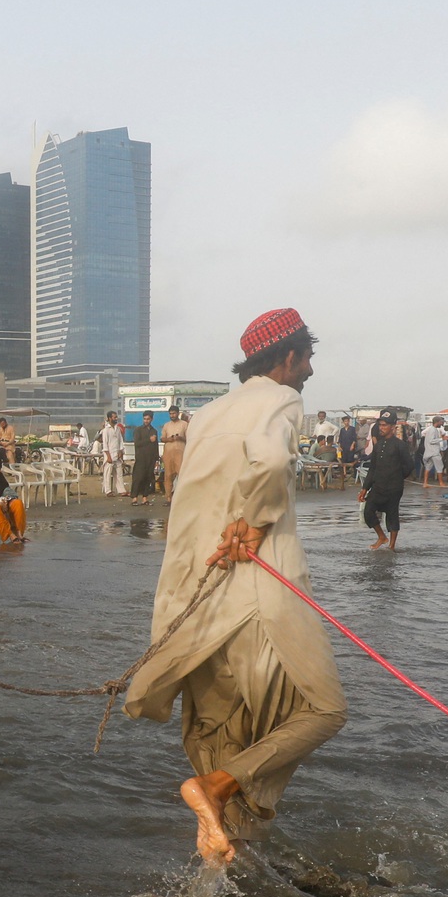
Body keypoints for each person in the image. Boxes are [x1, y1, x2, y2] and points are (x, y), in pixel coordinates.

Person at [123, 308, 346, 866]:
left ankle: (224, 869)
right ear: (287, 358)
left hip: (195, 601)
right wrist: (257, 519)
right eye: (308, 357)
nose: (311, 369)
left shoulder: (209, 413)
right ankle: (216, 791)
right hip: (256, 599)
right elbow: (270, 460)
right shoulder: (280, 401)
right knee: (325, 711)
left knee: (226, 732)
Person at [359, 414, 411, 550]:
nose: (381, 428)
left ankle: (392, 545)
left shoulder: (400, 445)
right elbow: (372, 468)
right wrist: (365, 488)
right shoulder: (378, 445)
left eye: (384, 425)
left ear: (392, 427)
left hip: (394, 487)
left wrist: (398, 477)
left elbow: (409, 466)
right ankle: (382, 537)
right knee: (368, 511)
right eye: (380, 425)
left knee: (392, 514)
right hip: (378, 486)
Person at [131, 410, 160, 503]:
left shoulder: (154, 431)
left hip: (150, 458)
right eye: (144, 419)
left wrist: (156, 458)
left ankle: (145, 497)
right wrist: (149, 440)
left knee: (148, 477)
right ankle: (134, 497)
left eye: (148, 419)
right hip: (141, 458)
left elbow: (156, 445)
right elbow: (137, 443)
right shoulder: (138, 430)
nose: (146, 421)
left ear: (151, 419)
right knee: (138, 478)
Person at [160, 407, 189, 501]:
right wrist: (169, 439)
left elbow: (189, 439)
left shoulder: (184, 425)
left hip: (180, 453)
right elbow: (162, 438)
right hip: (168, 453)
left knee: (182, 475)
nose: (172, 415)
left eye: (174, 413)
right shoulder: (166, 425)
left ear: (178, 413)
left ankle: (182, 498)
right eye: (170, 414)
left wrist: (180, 438)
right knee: (168, 476)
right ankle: (168, 498)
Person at [99, 412, 127, 496]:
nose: (116, 418)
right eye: (114, 417)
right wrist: (108, 456)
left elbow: (120, 441)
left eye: (116, 417)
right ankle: (108, 491)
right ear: (109, 418)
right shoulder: (105, 430)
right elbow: (105, 445)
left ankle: (121, 490)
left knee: (119, 474)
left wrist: (121, 452)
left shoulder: (117, 429)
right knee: (107, 474)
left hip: (117, 454)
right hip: (109, 455)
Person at [421, 416, 447, 487]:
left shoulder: (431, 429)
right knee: (439, 467)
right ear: (437, 422)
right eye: (441, 422)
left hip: (429, 452)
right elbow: (431, 441)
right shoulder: (433, 430)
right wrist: (441, 439)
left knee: (428, 467)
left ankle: (425, 483)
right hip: (434, 452)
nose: (441, 424)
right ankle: (441, 483)